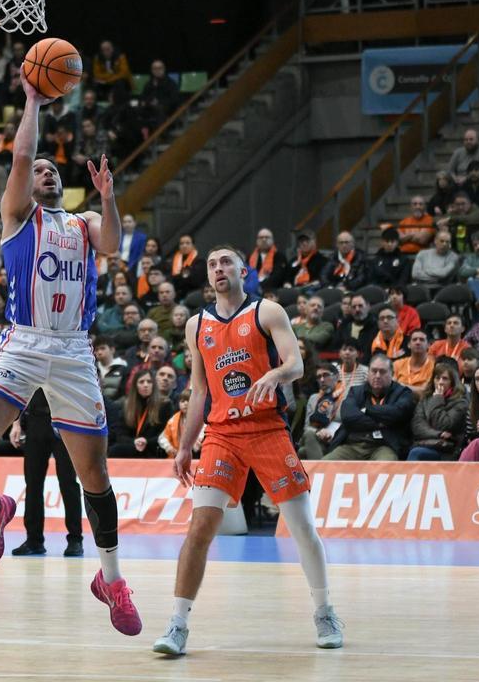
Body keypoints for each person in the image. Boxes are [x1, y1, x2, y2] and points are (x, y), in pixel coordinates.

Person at [0, 73, 141, 635]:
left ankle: (111, 580)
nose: (46, 173)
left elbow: (113, 245)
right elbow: (20, 156)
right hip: (25, 339)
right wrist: (33, 100)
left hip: (74, 350)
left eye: (53, 171)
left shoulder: (84, 223)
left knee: (94, 474)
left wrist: (108, 197)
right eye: (40, 170)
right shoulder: (17, 217)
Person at [152, 245, 342, 656]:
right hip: (222, 434)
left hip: (267, 429)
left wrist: (274, 375)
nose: (218, 268)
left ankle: (324, 611)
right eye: (211, 264)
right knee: (199, 528)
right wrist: (184, 447)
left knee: (301, 527)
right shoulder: (197, 325)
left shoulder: (267, 311)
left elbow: (296, 365)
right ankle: (177, 624)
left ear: (243, 271)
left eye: (226, 262)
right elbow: (198, 390)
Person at [8, 390, 84, 557]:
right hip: (35, 420)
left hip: (64, 419)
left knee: (68, 482)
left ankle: (75, 539)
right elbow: (20, 390)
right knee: (32, 483)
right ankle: (33, 540)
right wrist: (16, 424)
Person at [324, 354, 415, 461]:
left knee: (386, 464)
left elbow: (397, 413)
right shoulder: (355, 391)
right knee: (325, 464)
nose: (377, 375)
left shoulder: (403, 393)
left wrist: (366, 410)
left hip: (384, 446)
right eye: (374, 371)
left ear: (392, 374)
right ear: (368, 372)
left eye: (382, 372)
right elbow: (348, 417)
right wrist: (381, 422)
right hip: (352, 445)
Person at [406, 364, 467, 461]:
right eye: (437, 378)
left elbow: (444, 424)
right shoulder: (425, 400)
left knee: (416, 453)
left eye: (445, 379)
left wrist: (438, 399)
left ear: (452, 382)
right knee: (415, 451)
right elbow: (417, 426)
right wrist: (438, 434)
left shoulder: (460, 403)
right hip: (425, 444)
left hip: (447, 450)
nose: (440, 382)